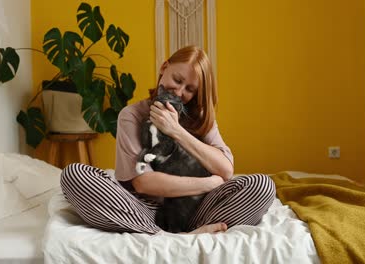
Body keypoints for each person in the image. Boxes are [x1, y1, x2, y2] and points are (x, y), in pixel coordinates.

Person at [60, 45, 276, 234]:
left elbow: (226, 170)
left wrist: (176, 131)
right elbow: (143, 182)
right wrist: (208, 183)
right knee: (74, 175)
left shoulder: (200, 118)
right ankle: (172, 235)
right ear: (164, 68)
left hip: (196, 209)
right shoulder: (131, 115)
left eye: (190, 89)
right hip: (143, 209)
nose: (180, 92)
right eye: (177, 80)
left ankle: (183, 230)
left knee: (262, 186)